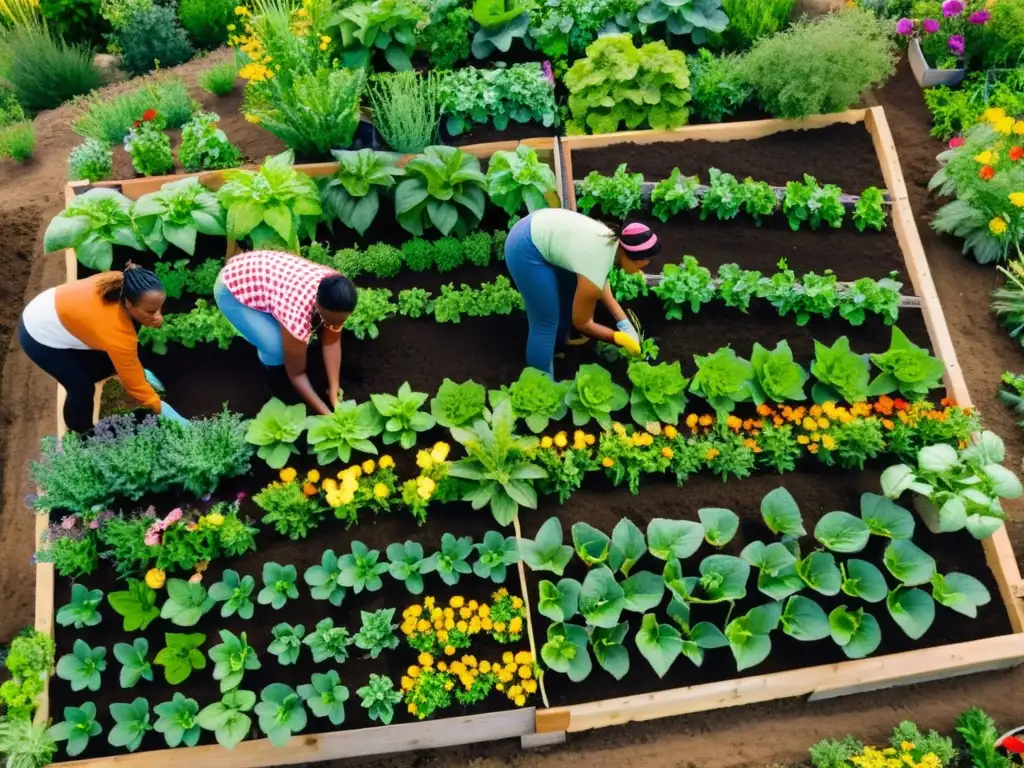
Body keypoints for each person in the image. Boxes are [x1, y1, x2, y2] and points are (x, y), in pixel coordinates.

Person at [19, 265, 187, 433]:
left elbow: (128, 347)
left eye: (159, 308)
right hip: (38, 334)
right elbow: (132, 380)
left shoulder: (122, 282)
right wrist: (157, 406)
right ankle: (82, 432)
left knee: (123, 356)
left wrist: (149, 318)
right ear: (128, 303)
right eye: (151, 310)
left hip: (58, 310)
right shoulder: (115, 329)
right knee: (81, 385)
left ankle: (135, 370)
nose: (159, 316)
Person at [504, 208, 661, 375]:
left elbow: (600, 282)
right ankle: (540, 381)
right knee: (545, 323)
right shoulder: (596, 260)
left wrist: (624, 323)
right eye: (639, 266)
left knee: (569, 292)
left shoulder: (612, 242)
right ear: (627, 255)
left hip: (540, 227)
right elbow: (583, 323)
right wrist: (618, 338)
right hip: (525, 248)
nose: (640, 272)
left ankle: (558, 343)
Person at [214, 250, 357, 416]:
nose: (336, 326)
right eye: (329, 320)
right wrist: (327, 415)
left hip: (267, 279)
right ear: (317, 305)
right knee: (276, 347)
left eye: (341, 321)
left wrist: (333, 392)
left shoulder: (337, 291)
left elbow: (332, 341)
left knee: (301, 338)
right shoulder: (297, 313)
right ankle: (275, 383)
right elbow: (297, 375)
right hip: (232, 289)